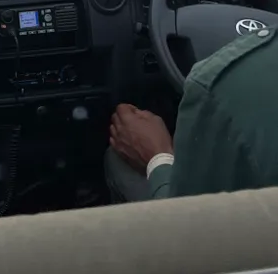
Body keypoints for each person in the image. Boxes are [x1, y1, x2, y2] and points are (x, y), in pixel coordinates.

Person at [105, 24, 278, 201]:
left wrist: (158, 157)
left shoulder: (213, 83)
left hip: (240, 225)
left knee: (116, 160)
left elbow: (188, 216)